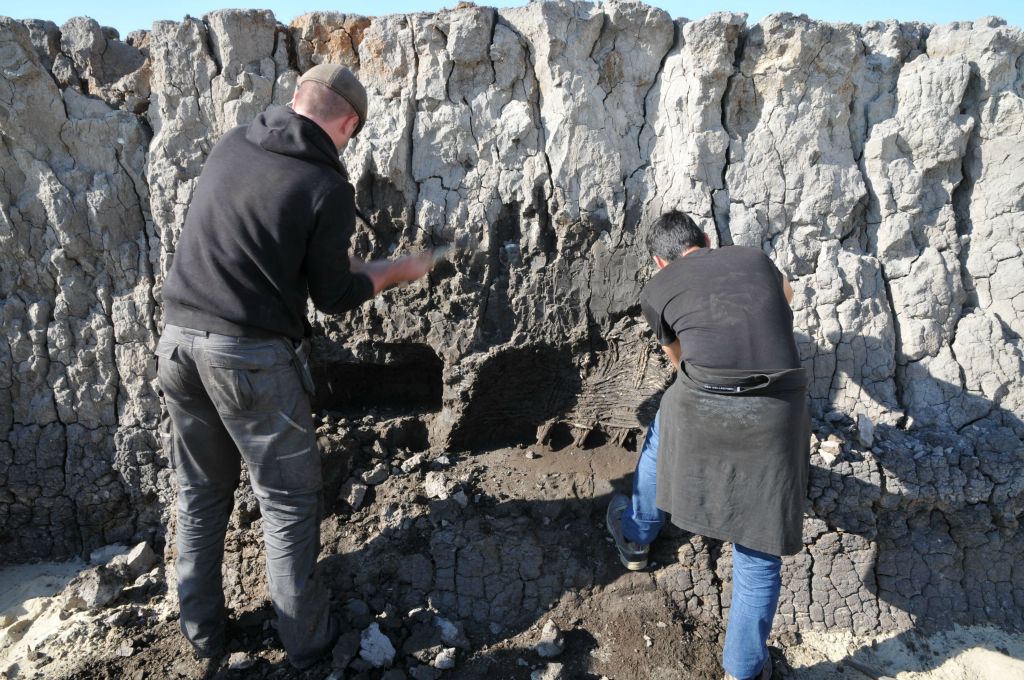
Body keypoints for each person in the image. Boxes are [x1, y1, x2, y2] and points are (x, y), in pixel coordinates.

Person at [155, 64, 434, 668]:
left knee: (200, 492)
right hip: (247, 358)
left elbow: (258, 244)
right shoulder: (326, 186)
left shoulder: (234, 142)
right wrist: (395, 270)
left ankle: (202, 633)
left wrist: (335, 257)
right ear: (349, 124)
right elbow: (332, 297)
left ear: (294, 100)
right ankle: (307, 644)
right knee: (285, 499)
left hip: (177, 342)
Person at [606, 211, 809, 680]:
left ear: (660, 262)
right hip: (777, 412)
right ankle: (744, 671)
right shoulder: (755, 258)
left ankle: (636, 537)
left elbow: (678, 362)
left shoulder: (657, 289)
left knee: (663, 430)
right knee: (758, 553)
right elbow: (787, 296)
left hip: (703, 405)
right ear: (709, 239)